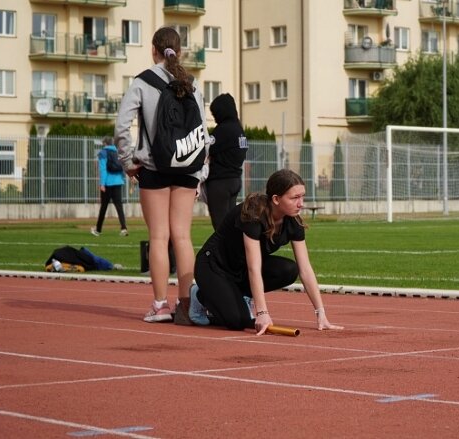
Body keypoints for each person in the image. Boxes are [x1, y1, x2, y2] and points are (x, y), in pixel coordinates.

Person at [114, 26, 208, 323]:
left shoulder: (142, 82)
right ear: (179, 52)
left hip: (154, 167)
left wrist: (129, 161)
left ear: (153, 49)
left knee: (158, 236)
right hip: (188, 167)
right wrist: (200, 171)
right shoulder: (193, 84)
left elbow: (121, 127)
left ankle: (159, 305)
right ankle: (186, 305)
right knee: (182, 237)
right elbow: (204, 133)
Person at [188, 169, 342, 335]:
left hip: (240, 270)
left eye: (302, 196)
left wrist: (321, 313)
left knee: (289, 270)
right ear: (276, 199)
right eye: (294, 198)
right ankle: (200, 295)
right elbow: (254, 267)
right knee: (237, 321)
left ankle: (238, 295)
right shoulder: (253, 215)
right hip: (214, 267)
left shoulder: (293, 222)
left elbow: (305, 269)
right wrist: (262, 313)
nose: (301, 203)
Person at [204, 93, 247, 231]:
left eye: (215, 113)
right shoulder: (239, 129)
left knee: (221, 226)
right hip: (235, 180)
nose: (215, 118)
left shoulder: (223, 130)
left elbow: (206, 148)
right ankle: (232, 251)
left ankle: (224, 252)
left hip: (220, 182)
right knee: (231, 224)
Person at [91, 136, 128, 237]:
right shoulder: (118, 152)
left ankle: (98, 230)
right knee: (119, 207)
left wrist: (102, 184)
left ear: (104, 143)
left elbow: (102, 169)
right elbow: (123, 167)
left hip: (107, 184)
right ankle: (124, 228)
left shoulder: (103, 153)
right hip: (118, 182)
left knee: (103, 207)